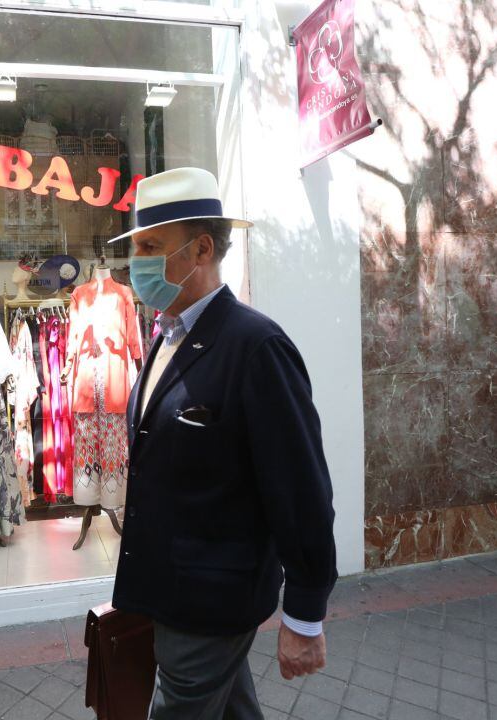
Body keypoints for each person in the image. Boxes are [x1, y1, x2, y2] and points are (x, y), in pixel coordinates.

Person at [109, 167, 338, 719]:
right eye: (135, 246)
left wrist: (304, 615)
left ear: (201, 250)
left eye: (150, 246)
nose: (137, 262)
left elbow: (300, 487)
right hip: (170, 591)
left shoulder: (255, 348)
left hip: (209, 603)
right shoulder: (166, 337)